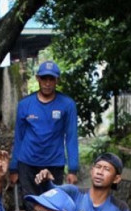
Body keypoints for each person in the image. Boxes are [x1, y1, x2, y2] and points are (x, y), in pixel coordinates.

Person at [9, 60, 79, 198]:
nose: (47, 83)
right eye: (44, 78)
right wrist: (13, 168)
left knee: (52, 204)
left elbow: (71, 137)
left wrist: (73, 169)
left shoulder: (67, 104)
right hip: (28, 163)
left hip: (54, 163)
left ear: (57, 80)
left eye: (51, 79)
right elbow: (19, 137)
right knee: (30, 204)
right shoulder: (25, 104)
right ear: (38, 79)